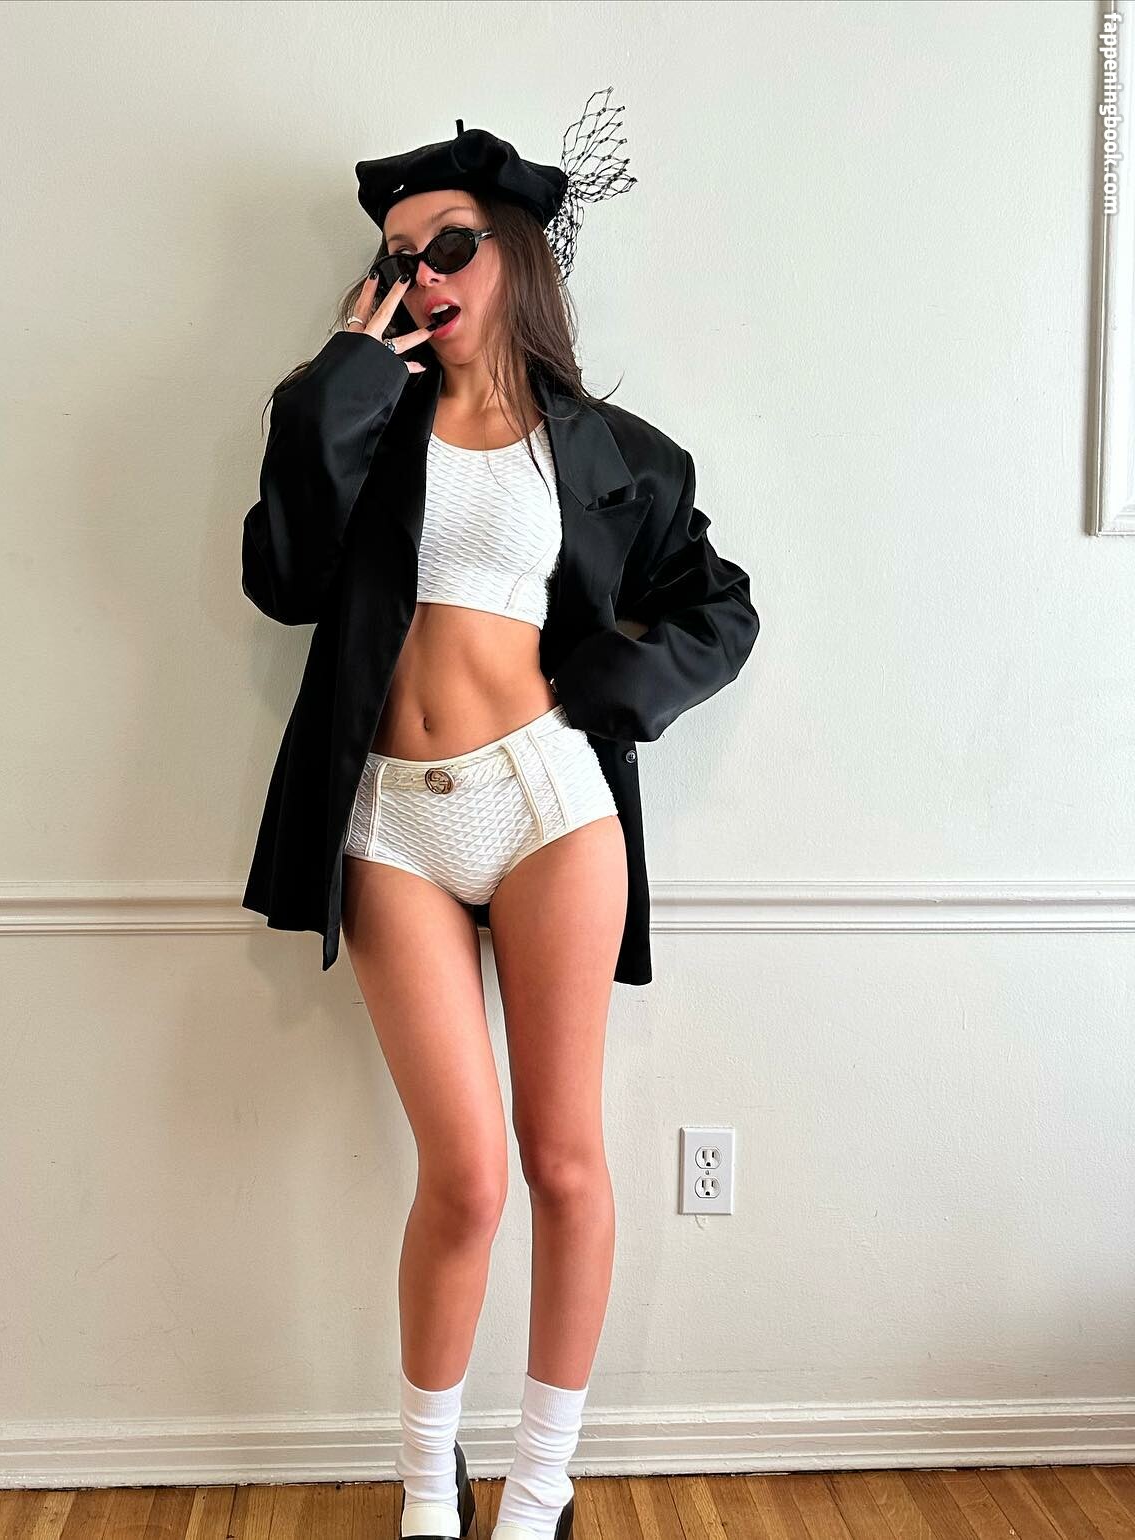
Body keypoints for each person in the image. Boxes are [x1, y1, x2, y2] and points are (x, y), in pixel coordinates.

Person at [240, 103, 759, 1540]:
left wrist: (612, 689)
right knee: (464, 1179)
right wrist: (340, 382)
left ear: (518, 254)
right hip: (391, 822)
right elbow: (283, 580)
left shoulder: (612, 452)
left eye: (448, 245)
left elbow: (720, 608)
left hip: (549, 806)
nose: (419, 273)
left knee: (562, 1158)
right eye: (397, 256)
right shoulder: (361, 421)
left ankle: (538, 1487)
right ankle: (427, 1486)